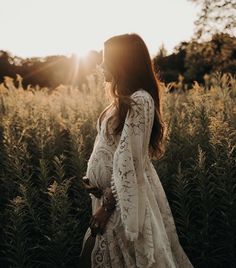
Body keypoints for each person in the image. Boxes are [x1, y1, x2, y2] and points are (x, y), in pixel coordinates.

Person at [79, 33, 194, 268]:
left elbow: (129, 161)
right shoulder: (121, 101)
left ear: (122, 62)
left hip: (122, 203)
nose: (100, 66)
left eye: (105, 59)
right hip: (106, 200)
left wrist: (107, 207)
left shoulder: (140, 100)